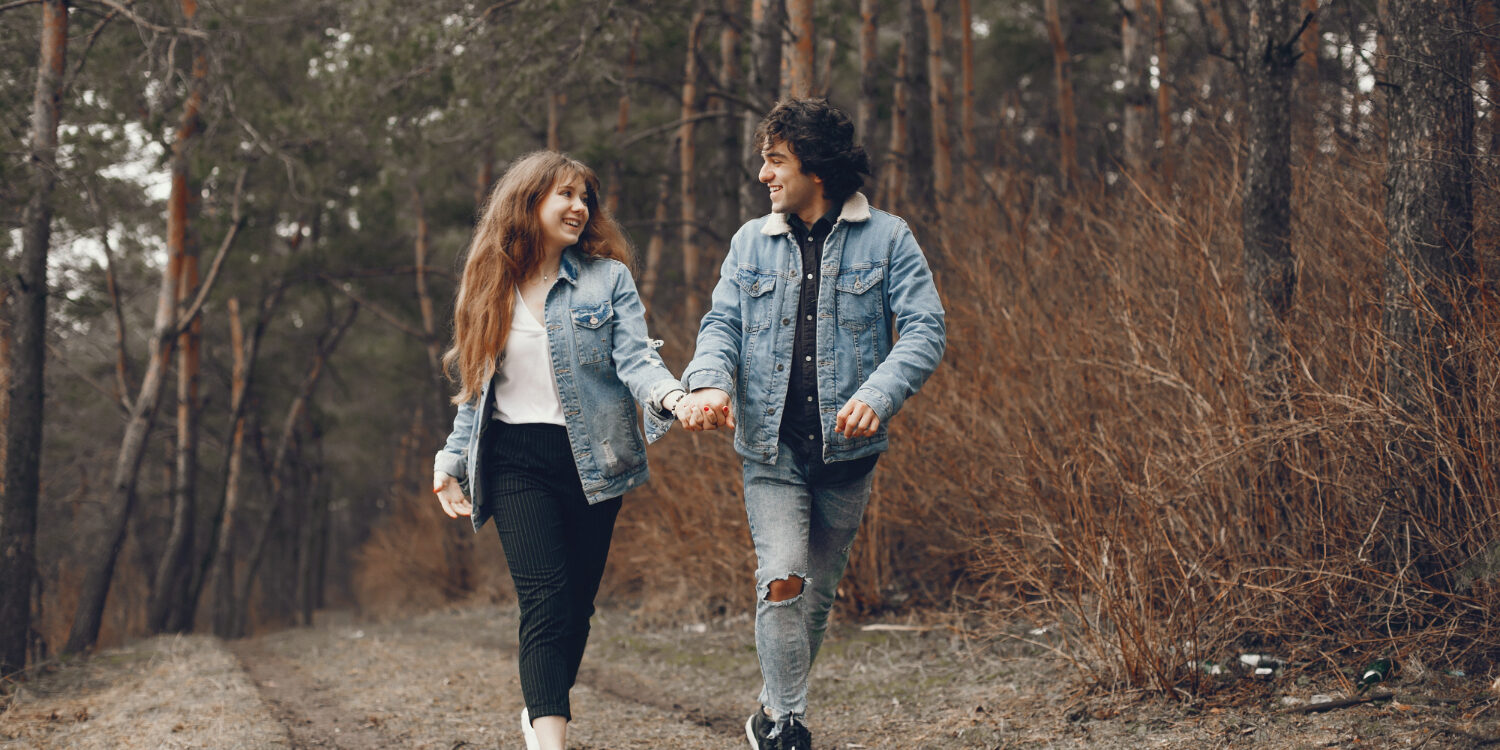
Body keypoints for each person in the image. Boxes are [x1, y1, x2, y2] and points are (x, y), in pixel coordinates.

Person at [676, 98, 947, 750]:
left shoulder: (889, 238)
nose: (764, 175)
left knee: (815, 599)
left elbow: (925, 329)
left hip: (849, 454)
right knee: (784, 578)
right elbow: (722, 327)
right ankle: (788, 728)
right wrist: (709, 381)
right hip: (769, 449)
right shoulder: (750, 242)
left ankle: (771, 708)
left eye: (776, 160)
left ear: (814, 169)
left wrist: (878, 394)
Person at [432, 150, 688, 750]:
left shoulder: (607, 279)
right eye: (565, 195)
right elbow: (475, 391)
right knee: (545, 600)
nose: (579, 207)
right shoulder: (489, 285)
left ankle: (541, 706)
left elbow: (635, 360)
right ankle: (551, 740)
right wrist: (450, 461)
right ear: (529, 202)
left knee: (576, 609)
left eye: (584, 197)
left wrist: (673, 398)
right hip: (515, 460)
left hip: (594, 458)